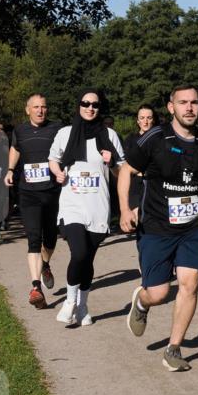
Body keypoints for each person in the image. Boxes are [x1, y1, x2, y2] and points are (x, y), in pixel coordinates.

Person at [118, 85, 198, 370]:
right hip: (156, 225)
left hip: (193, 226)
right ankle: (142, 302)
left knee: (190, 283)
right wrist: (123, 209)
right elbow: (126, 171)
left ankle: (174, 349)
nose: (189, 108)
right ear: (171, 107)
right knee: (158, 293)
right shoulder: (154, 139)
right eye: (183, 102)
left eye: (194, 102)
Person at [48, 88, 125, 327]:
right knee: (79, 253)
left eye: (95, 105)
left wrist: (111, 161)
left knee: (87, 260)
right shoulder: (65, 133)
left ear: (100, 108)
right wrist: (58, 172)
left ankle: (82, 306)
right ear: (78, 105)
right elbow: (53, 158)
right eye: (86, 103)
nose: (90, 108)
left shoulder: (109, 135)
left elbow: (122, 171)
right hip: (72, 204)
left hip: (98, 206)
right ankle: (70, 302)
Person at [5, 95, 64, 308]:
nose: (40, 111)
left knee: (50, 237)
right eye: (36, 107)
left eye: (44, 107)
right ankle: (35, 287)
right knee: (33, 238)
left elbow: (66, 152)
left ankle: (45, 264)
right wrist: (10, 170)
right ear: (27, 109)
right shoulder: (20, 131)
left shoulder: (57, 129)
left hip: (52, 192)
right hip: (28, 192)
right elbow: (16, 149)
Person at [122, 104, 160, 229]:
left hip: (154, 184)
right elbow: (127, 165)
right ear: (137, 120)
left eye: (149, 118)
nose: (145, 121)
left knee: (152, 221)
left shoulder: (160, 139)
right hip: (135, 185)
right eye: (142, 118)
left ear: (153, 119)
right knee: (138, 220)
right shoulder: (130, 140)